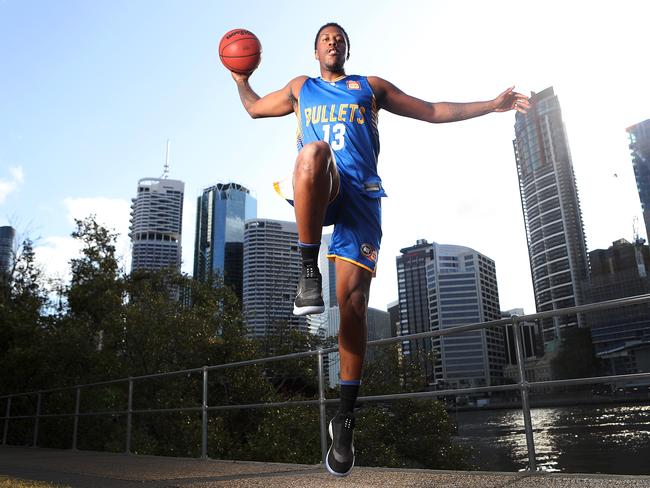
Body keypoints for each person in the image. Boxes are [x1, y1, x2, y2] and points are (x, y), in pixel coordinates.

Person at [229, 22, 530, 477]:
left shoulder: (369, 88)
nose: (333, 42)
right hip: (321, 188)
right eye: (325, 38)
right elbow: (252, 110)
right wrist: (241, 78)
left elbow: (430, 109)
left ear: (347, 49)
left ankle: (345, 417)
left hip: (362, 200)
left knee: (352, 305)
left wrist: (492, 104)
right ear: (315, 52)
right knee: (312, 154)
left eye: (339, 38)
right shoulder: (299, 87)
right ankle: (307, 270)